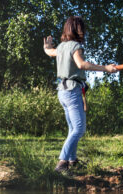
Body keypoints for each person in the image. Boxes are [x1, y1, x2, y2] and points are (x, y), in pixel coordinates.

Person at [43, 16, 118, 172]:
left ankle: (72, 160)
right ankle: (62, 162)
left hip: (62, 92)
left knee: (72, 129)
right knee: (79, 129)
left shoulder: (62, 47)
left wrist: (47, 46)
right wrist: (106, 68)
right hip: (72, 91)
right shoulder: (75, 46)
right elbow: (81, 64)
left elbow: (50, 52)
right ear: (79, 30)